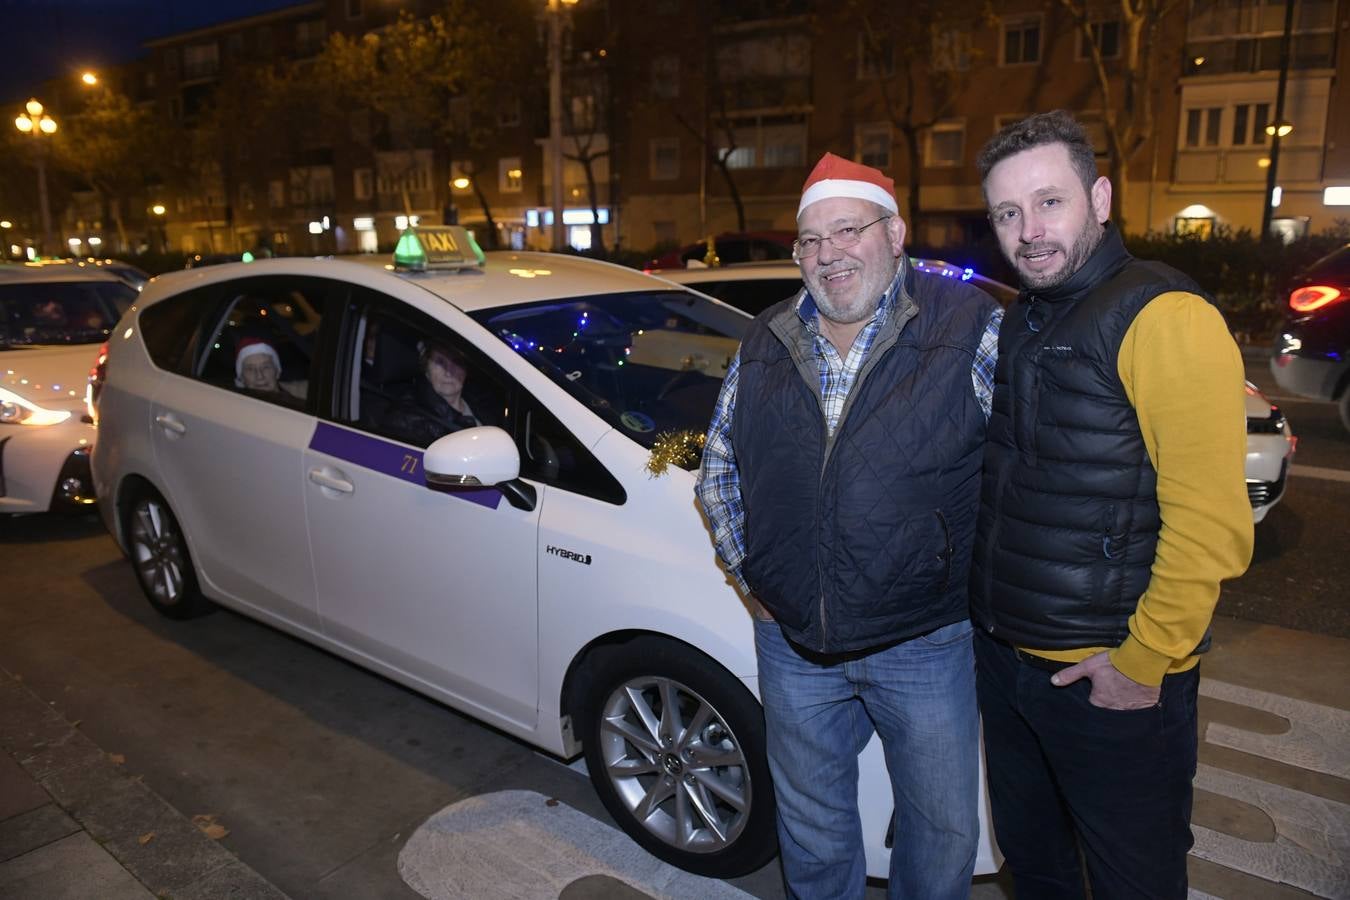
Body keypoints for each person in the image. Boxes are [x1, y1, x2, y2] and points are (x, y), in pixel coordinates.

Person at [696, 152, 1003, 899]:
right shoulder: (766, 339)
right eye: (810, 240)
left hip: (924, 639)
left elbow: (1027, 472)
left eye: (847, 229)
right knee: (810, 823)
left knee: (942, 828)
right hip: (796, 644)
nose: (828, 253)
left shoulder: (969, 327)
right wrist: (755, 583)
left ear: (894, 234)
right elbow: (718, 472)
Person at [969, 110, 1254, 899]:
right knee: (1038, 867)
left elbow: (1211, 527)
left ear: (1099, 197)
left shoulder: (1164, 316)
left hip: (1109, 682)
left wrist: (1141, 663)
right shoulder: (1028, 314)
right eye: (1007, 213)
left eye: (1049, 201)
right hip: (1012, 666)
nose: (1029, 231)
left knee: (1134, 880)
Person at [381, 340, 481, 446]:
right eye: (440, 362)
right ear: (426, 367)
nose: (448, 372)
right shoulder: (406, 419)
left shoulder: (481, 401)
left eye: (456, 362)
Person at [235, 337, 304, 399]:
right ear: (241, 377)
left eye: (266, 367)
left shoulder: (302, 393)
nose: (260, 376)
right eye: (250, 369)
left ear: (277, 372)